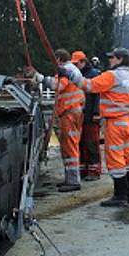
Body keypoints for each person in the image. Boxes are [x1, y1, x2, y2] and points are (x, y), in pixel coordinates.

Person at [69, 47, 129, 207]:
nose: (110, 60)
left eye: (112, 57)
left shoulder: (112, 76)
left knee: (115, 158)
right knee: (128, 156)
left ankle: (120, 195)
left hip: (114, 121)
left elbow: (89, 86)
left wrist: (71, 75)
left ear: (120, 59)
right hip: (128, 121)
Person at [32, 50, 85, 192]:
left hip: (70, 112)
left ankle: (73, 181)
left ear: (59, 59)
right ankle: (70, 179)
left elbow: (58, 86)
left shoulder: (66, 70)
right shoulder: (69, 69)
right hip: (71, 112)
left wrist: (42, 78)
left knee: (70, 146)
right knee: (68, 146)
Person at [75, 51, 102, 181]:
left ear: (83, 62)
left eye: (77, 63)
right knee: (81, 144)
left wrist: (96, 113)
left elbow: (97, 95)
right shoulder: (79, 75)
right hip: (81, 115)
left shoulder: (94, 75)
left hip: (91, 115)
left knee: (91, 143)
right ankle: (84, 169)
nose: (75, 66)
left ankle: (94, 171)